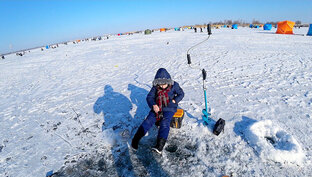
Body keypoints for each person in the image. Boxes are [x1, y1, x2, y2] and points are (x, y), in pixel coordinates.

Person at [131, 68, 184, 154]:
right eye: (160, 84)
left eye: (164, 84)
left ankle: (159, 146)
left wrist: (175, 100)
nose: (162, 86)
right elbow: (149, 97)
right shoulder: (155, 87)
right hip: (158, 106)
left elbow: (181, 94)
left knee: (165, 122)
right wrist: (153, 105)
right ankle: (135, 140)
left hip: (169, 107)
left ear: (168, 81)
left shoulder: (174, 86)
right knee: (148, 120)